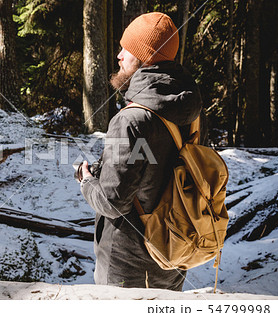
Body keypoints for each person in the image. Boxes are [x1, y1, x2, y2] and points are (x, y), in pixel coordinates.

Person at [79, 12, 203, 290]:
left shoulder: (132, 119)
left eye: (127, 49)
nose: (119, 56)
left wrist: (86, 180)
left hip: (127, 268)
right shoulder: (189, 108)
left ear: (146, 58)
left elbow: (113, 202)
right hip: (173, 255)